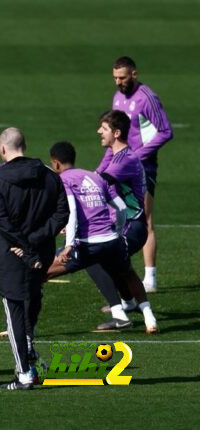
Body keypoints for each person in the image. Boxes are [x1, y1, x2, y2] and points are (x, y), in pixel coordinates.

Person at [0, 128, 69, 390]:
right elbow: (62, 213)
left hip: (11, 254)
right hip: (42, 252)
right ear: (25, 145)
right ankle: (30, 340)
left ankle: (23, 374)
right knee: (33, 295)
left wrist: (24, 245)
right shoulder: (49, 175)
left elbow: (3, 225)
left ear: (2, 149)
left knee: (13, 309)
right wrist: (37, 240)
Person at [47, 141, 157, 333]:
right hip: (113, 239)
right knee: (128, 271)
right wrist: (119, 232)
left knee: (44, 272)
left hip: (90, 244)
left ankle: (22, 326)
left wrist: (69, 244)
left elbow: (72, 211)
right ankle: (149, 318)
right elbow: (121, 207)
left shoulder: (63, 181)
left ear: (55, 164)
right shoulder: (95, 177)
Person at [97, 56, 173, 292]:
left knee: (145, 218)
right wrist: (99, 171)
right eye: (115, 78)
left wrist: (136, 156)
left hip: (142, 167)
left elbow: (165, 131)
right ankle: (124, 274)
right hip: (120, 164)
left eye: (122, 77)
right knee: (119, 217)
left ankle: (150, 278)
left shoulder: (147, 98)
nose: (118, 82)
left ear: (134, 74)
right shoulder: (118, 97)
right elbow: (115, 137)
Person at [89, 110, 158, 333]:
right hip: (122, 225)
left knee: (101, 258)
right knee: (118, 265)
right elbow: (95, 176)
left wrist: (68, 181)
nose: (99, 131)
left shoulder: (125, 159)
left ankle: (123, 312)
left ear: (117, 133)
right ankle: (138, 310)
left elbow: (97, 182)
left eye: (104, 128)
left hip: (134, 228)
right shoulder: (113, 153)